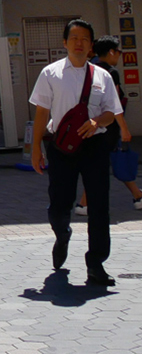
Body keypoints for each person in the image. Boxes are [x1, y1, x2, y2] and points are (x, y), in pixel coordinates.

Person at [30, 18, 122, 286]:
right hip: (61, 147)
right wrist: (36, 147)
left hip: (94, 146)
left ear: (91, 45)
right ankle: (62, 233)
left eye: (84, 39)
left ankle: (96, 264)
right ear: (65, 43)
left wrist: (97, 122)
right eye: (74, 38)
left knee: (99, 205)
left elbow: (111, 113)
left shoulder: (102, 76)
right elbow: (41, 113)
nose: (79, 43)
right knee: (59, 204)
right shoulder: (50, 73)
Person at [75, 35, 142, 215]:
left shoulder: (88, 69)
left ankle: (138, 195)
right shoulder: (111, 72)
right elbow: (114, 104)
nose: (119, 56)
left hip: (90, 123)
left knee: (108, 160)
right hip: (107, 124)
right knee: (101, 163)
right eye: (119, 52)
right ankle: (83, 204)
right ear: (111, 52)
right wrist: (124, 128)